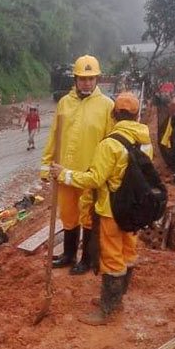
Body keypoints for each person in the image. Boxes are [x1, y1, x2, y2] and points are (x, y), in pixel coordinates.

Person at [49, 93, 152, 325]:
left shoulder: (110, 144)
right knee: (128, 252)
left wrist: (64, 174)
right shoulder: (145, 141)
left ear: (114, 114)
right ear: (137, 115)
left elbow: (95, 179)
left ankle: (107, 308)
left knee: (112, 256)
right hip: (135, 208)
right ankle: (119, 298)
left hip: (111, 209)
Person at [41, 55, 115, 275]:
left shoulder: (107, 106)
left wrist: (107, 173)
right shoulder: (64, 103)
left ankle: (87, 259)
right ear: (75, 79)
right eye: (83, 78)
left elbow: (112, 142)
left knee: (89, 218)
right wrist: (46, 166)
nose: (87, 83)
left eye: (91, 78)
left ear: (97, 79)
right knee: (68, 215)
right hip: (64, 172)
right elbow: (54, 136)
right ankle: (68, 254)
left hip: (90, 174)